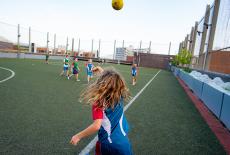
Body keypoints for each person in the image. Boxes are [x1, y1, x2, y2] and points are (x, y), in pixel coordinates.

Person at [70, 66, 133, 155]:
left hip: (107, 143)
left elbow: (96, 126)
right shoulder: (119, 96)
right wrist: (101, 71)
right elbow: (112, 83)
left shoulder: (99, 101)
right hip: (123, 143)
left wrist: (78, 136)